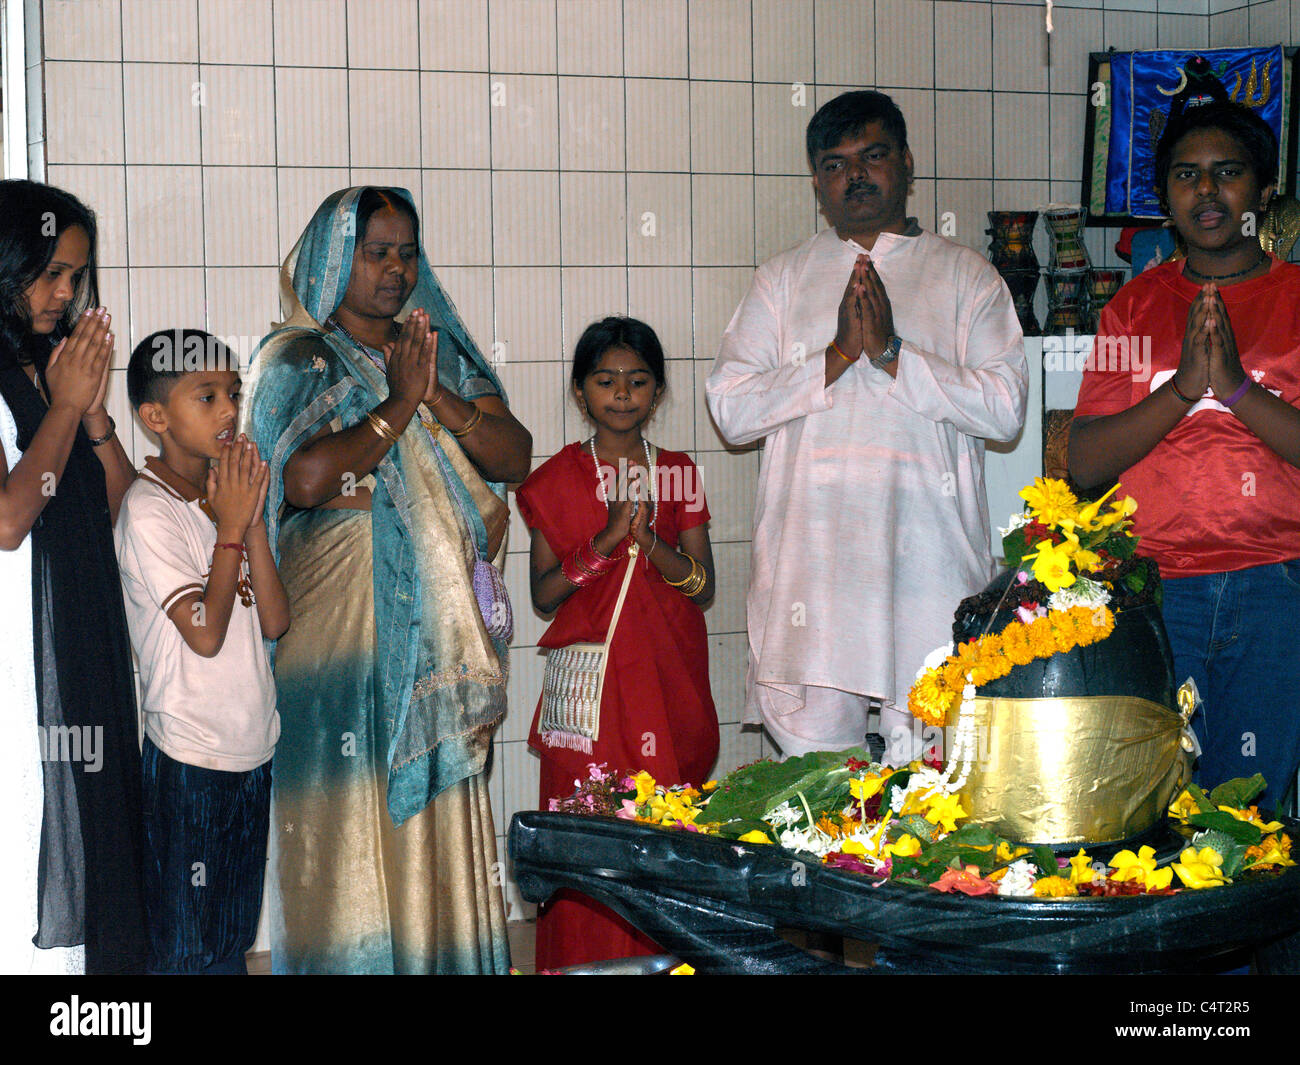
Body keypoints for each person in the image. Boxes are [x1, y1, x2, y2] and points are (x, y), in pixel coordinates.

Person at [246, 186, 531, 974]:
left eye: (407, 252)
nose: (396, 269)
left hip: (433, 648)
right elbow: (301, 480)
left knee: (436, 832)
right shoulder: (293, 359)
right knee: (350, 832)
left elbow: (514, 457)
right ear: (338, 259)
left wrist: (430, 389)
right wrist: (397, 406)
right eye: (377, 252)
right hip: (337, 642)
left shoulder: (437, 352)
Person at [706, 90, 1028, 760]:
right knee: (820, 803)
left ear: (906, 162)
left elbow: (1004, 409)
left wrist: (891, 354)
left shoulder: (967, 276)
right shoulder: (783, 280)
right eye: (834, 163)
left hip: (930, 570)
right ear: (818, 183)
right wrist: (836, 357)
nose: (854, 174)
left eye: (872, 155)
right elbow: (732, 410)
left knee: (932, 799)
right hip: (813, 577)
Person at [1070, 100, 1300, 813]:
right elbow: (1083, 462)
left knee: (1255, 809)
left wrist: (1232, 387)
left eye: (1226, 174)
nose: (1206, 192)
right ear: (1166, 197)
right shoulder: (1131, 308)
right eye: (1185, 176)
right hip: (1159, 590)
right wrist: (1180, 390)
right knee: (1158, 808)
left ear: (1263, 190)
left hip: (1278, 586)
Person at [519, 315, 717, 970]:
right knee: (590, 829)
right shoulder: (554, 480)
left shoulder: (680, 474)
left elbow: (701, 585)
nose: (622, 394)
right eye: (606, 380)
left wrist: (648, 540)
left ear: (657, 393)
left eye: (637, 381)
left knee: (659, 828)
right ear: (581, 392)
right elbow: (545, 595)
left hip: (664, 681)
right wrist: (604, 541)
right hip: (592, 694)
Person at [0, 179, 146, 973]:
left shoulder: (48, 367)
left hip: (74, 647)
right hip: (18, 666)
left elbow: (125, 512)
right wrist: (61, 407)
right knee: (26, 852)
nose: (64, 294)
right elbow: (8, 518)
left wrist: (90, 413)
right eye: (50, 272)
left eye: (76, 278)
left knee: (91, 847)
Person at [116, 329, 289, 974]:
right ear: (155, 418)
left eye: (233, 395)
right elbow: (205, 631)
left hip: (252, 747)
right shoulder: (147, 510)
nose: (228, 411)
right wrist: (231, 528)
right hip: (190, 755)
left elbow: (275, 619)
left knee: (232, 937)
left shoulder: (225, 502)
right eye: (208, 395)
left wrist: (249, 522)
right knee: (186, 946)